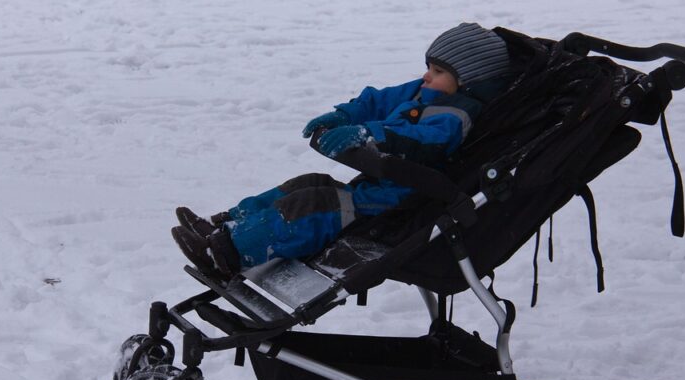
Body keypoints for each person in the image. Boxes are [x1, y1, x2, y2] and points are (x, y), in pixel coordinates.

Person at [171, 22, 515, 277]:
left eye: (438, 71)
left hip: (397, 204)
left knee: (314, 205)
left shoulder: (455, 116)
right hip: (374, 187)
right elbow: (379, 99)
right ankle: (225, 225)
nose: (426, 76)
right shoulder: (424, 91)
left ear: (468, 79)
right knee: (308, 182)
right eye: (428, 66)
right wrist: (344, 115)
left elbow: (422, 142)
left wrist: (369, 134)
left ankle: (230, 250)